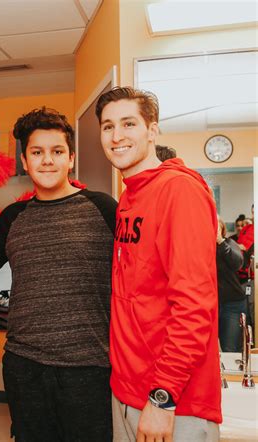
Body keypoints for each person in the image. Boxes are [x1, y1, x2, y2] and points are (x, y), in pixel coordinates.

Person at [0, 107, 117, 441]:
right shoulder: (13, 217)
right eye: (37, 152)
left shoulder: (103, 208)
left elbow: (140, 273)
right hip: (25, 367)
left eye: (57, 151)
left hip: (89, 368)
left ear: (71, 158)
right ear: (25, 160)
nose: (47, 160)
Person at [96, 86, 221, 441]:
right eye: (107, 127)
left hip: (171, 402)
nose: (117, 136)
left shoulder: (179, 191)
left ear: (152, 130)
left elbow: (195, 306)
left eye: (129, 124)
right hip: (127, 391)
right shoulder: (129, 197)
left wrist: (162, 397)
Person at [216, 218, 247, 352]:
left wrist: (220, 241)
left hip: (232, 304)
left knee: (230, 348)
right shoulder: (201, 247)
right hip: (212, 305)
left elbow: (237, 263)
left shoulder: (229, 243)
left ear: (222, 228)